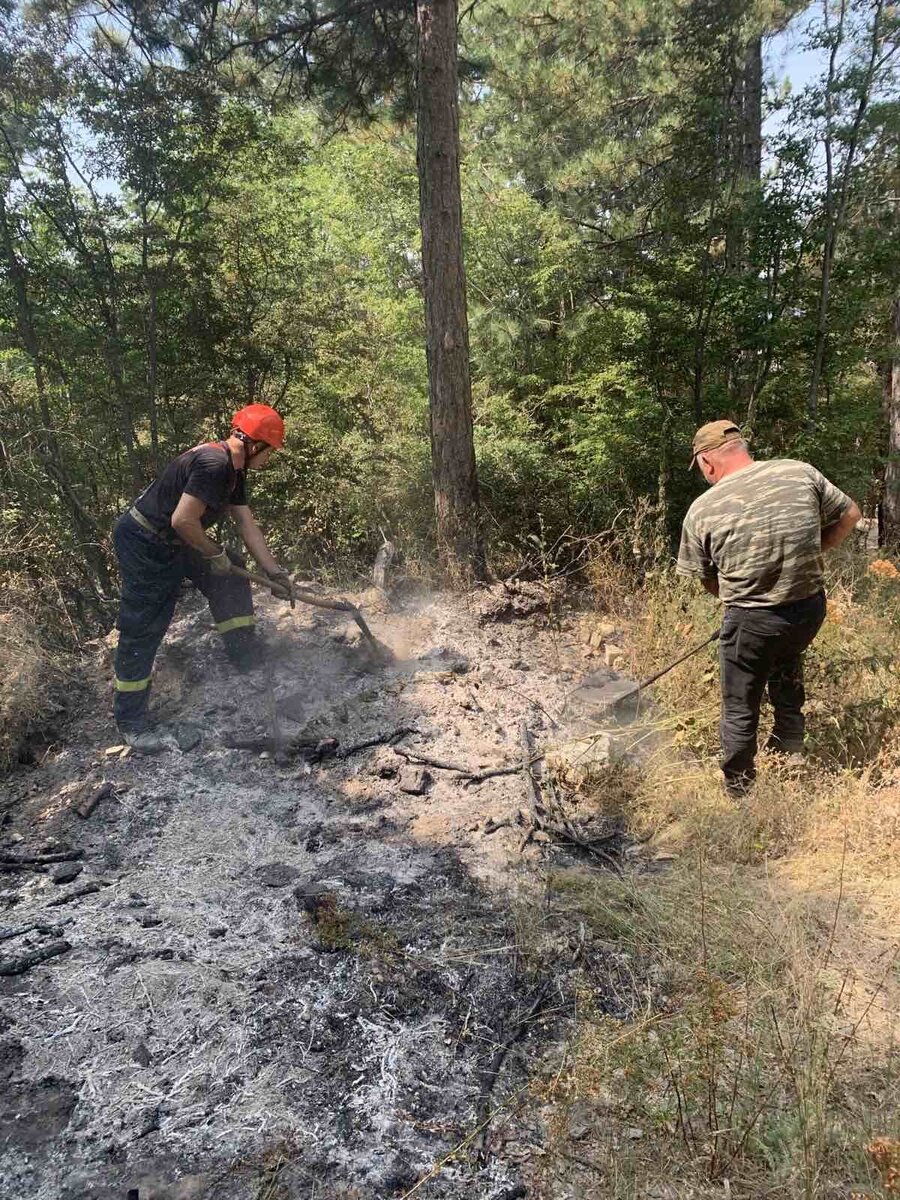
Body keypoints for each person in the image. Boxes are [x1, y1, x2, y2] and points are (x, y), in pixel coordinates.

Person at [676, 420, 861, 796]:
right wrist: (806, 556)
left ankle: (739, 791)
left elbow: (707, 579)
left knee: (740, 704)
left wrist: (744, 599)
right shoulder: (799, 471)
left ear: (707, 462)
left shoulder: (703, 510)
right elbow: (851, 515)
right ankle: (789, 754)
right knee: (786, 663)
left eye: (701, 469)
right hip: (808, 610)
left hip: (754, 621)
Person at [112, 404, 294, 752]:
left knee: (229, 576)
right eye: (271, 451)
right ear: (257, 445)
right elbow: (183, 520)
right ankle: (132, 723)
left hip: (177, 539)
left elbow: (246, 524)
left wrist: (274, 571)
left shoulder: (235, 471)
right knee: (146, 623)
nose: (270, 459)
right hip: (146, 541)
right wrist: (215, 554)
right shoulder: (214, 464)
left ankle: (244, 653)